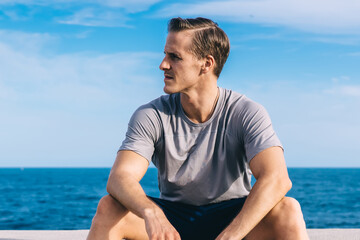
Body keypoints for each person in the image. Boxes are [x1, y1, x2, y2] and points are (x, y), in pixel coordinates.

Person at [87, 17, 309, 240]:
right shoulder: (151, 115)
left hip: (233, 219)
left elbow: (277, 178)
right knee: (109, 208)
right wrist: (152, 212)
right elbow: (120, 177)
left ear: (206, 63)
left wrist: (231, 236)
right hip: (172, 222)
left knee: (288, 210)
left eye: (174, 57)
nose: (163, 64)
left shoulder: (246, 112)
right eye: (165, 55)